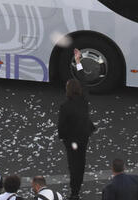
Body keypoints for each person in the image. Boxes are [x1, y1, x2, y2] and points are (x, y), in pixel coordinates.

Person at [57, 63, 94, 200]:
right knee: (81, 160)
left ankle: (74, 191)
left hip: (72, 140)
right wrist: (78, 63)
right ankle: (77, 186)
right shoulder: (84, 99)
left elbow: (61, 126)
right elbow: (83, 80)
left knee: (73, 163)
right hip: (84, 135)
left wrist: (63, 137)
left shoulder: (65, 106)